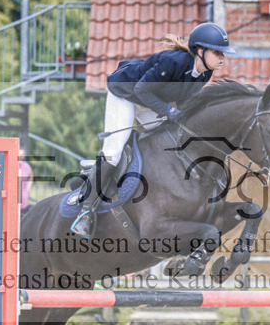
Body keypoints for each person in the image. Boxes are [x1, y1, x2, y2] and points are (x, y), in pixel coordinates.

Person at [69, 22, 235, 238]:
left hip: (148, 101)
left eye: (222, 53)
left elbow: (184, 101)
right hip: (126, 94)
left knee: (171, 141)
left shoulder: (204, 74)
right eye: (217, 52)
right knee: (114, 151)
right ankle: (86, 211)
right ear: (200, 51)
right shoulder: (173, 61)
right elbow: (141, 89)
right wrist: (168, 111)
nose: (222, 57)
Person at [19, 146, 33, 211]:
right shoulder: (12, 165)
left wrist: (27, 189)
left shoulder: (26, 166)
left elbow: (31, 177)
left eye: (22, 155)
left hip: (23, 198)